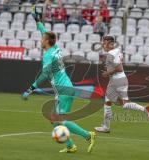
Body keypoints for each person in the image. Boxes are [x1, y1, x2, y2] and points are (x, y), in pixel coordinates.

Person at [22, 6, 96, 153]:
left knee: (60, 119)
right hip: (63, 88)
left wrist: (30, 89)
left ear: (47, 42)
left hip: (64, 90)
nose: (41, 39)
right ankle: (70, 146)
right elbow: (44, 31)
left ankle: (88, 135)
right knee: (53, 119)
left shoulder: (48, 56)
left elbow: (44, 75)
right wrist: (37, 19)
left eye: (42, 39)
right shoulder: (54, 46)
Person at [94, 36, 149, 133]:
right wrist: (109, 72)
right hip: (119, 80)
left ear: (111, 44)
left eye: (105, 43)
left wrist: (107, 73)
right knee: (114, 103)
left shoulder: (111, 54)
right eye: (103, 43)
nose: (103, 45)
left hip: (117, 81)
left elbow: (119, 68)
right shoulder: (115, 52)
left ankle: (106, 127)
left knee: (113, 103)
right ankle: (144, 109)